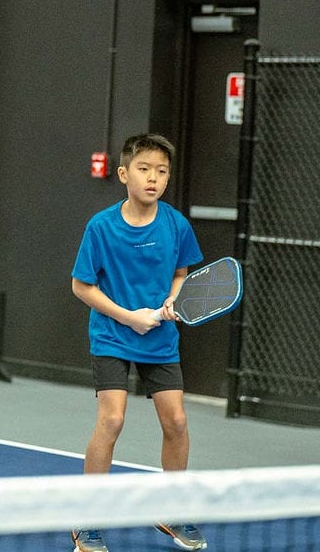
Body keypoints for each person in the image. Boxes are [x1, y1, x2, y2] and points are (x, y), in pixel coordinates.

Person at [69, 134, 207, 552]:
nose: (154, 178)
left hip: (161, 337)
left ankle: (173, 510)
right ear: (124, 173)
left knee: (177, 421)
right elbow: (81, 286)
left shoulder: (176, 224)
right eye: (145, 169)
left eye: (162, 172)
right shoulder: (101, 226)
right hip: (112, 334)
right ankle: (87, 520)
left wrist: (172, 298)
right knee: (111, 420)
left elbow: (181, 273)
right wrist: (130, 317)